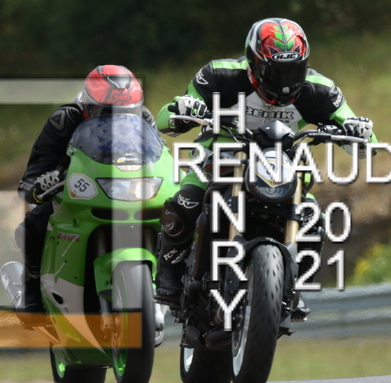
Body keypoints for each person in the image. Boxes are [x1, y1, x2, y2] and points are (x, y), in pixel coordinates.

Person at [154, 17, 376, 318]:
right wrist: (184, 111)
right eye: (274, 71)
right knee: (186, 202)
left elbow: (366, 140)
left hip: (282, 164)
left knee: (312, 218)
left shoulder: (321, 90)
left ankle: (293, 286)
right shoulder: (219, 75)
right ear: (253, 62)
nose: (284, 81)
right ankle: (169, 269)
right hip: (220, 155)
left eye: (294, 70)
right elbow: (165, 118)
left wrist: (358, 132)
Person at [13, 65, 157, 315]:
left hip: (131, 190)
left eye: (126, 111)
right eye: (106, 112)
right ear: (88, 105)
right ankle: (32, 286)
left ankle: (175, 281)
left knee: (177, 217)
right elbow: (33, 173)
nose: (116, 118)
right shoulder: (64, 119)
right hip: (76, 191)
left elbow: (159, 155)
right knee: (31, 229)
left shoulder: (144, 117)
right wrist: (41, 185)